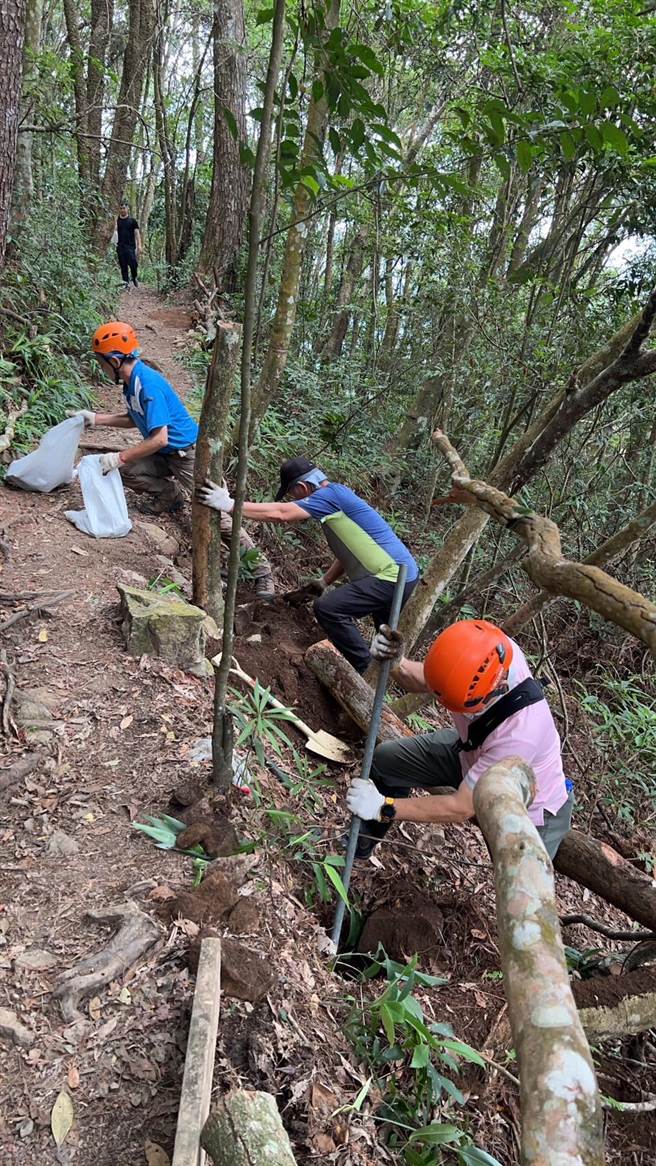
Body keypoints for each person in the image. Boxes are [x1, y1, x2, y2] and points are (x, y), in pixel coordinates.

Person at [71, 321, 275, 598]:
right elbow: (134, 418)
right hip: (164, 454)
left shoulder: (148, 384)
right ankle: (170, 496)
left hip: (188, 455)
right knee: (127, 471)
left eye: (101, 362)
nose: (102, 368)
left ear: (115, 361)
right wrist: (95, 419)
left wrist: (119, 456)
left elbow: (159, 438)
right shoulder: (131, 384)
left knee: (217, 512)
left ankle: (261, 571)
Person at [345, 618, 573, 860]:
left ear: (496, 689)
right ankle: (361, 843)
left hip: (526, 802)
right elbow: (431, 681)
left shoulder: (521, 734)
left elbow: (460, 807)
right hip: (472, 753)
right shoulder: (485, 647)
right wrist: (397, 663)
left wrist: (384, 806)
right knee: (387, 760)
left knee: (519, 876)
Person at [197, 455, 419, 671]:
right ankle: (375, 680)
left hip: (390, 576)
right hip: (402, 577)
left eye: (293, 494)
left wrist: (229, 504)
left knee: (329, 609)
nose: (294, 500)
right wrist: (324, 582)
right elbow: (350, 553)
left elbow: (281, 513)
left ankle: (363, 669)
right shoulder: (336, 499)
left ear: (302, 488)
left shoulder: (328, 496)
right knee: (385, 644)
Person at [114, 202, 141, 289]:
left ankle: (134, 277)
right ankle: (125, 283)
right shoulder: (117, 221)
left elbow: (137, 233)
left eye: (124, 208)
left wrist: (139, 245)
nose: (122, 210)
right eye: (121, 208)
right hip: (120, 246)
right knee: (123, 265)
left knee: (133, 264)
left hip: (130, 247)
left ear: (127, 209)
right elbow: (114, 232)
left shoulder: (132, 221)